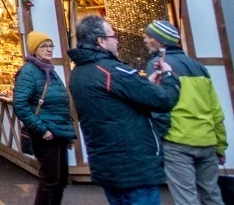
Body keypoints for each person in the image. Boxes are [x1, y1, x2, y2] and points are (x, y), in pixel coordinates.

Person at [68, 15, 180, 205]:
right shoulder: (111, 71)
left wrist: (143, 86)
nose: (117, 40)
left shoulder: (78, 73)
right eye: (113, 35)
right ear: (101, 41)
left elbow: (112, 102)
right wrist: (169, 75)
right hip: (133, 165)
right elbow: (165, 99)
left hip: (106, 164)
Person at [142, 20, 226, 205]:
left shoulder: (158, 65)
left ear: (161, 42)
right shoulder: (199, 67)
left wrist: (162, 134)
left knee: (187, 200)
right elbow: (216, 111)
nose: (146, 40)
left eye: (149, 37)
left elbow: (158, 103)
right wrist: (220, 145)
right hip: (207, 140)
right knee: (212, 196)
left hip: (177, 141)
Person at [13, 32, 76, 205]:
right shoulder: (29, 72)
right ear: (35, 49)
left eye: (51, 45)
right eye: (44, 46)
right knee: (49, 181)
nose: (49, 49)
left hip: (57, 132)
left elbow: (59, 105)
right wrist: (42, 129)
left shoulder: (48, 69)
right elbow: (20, 105)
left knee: (61, 179)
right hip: (46, 134)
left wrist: (68, 134)